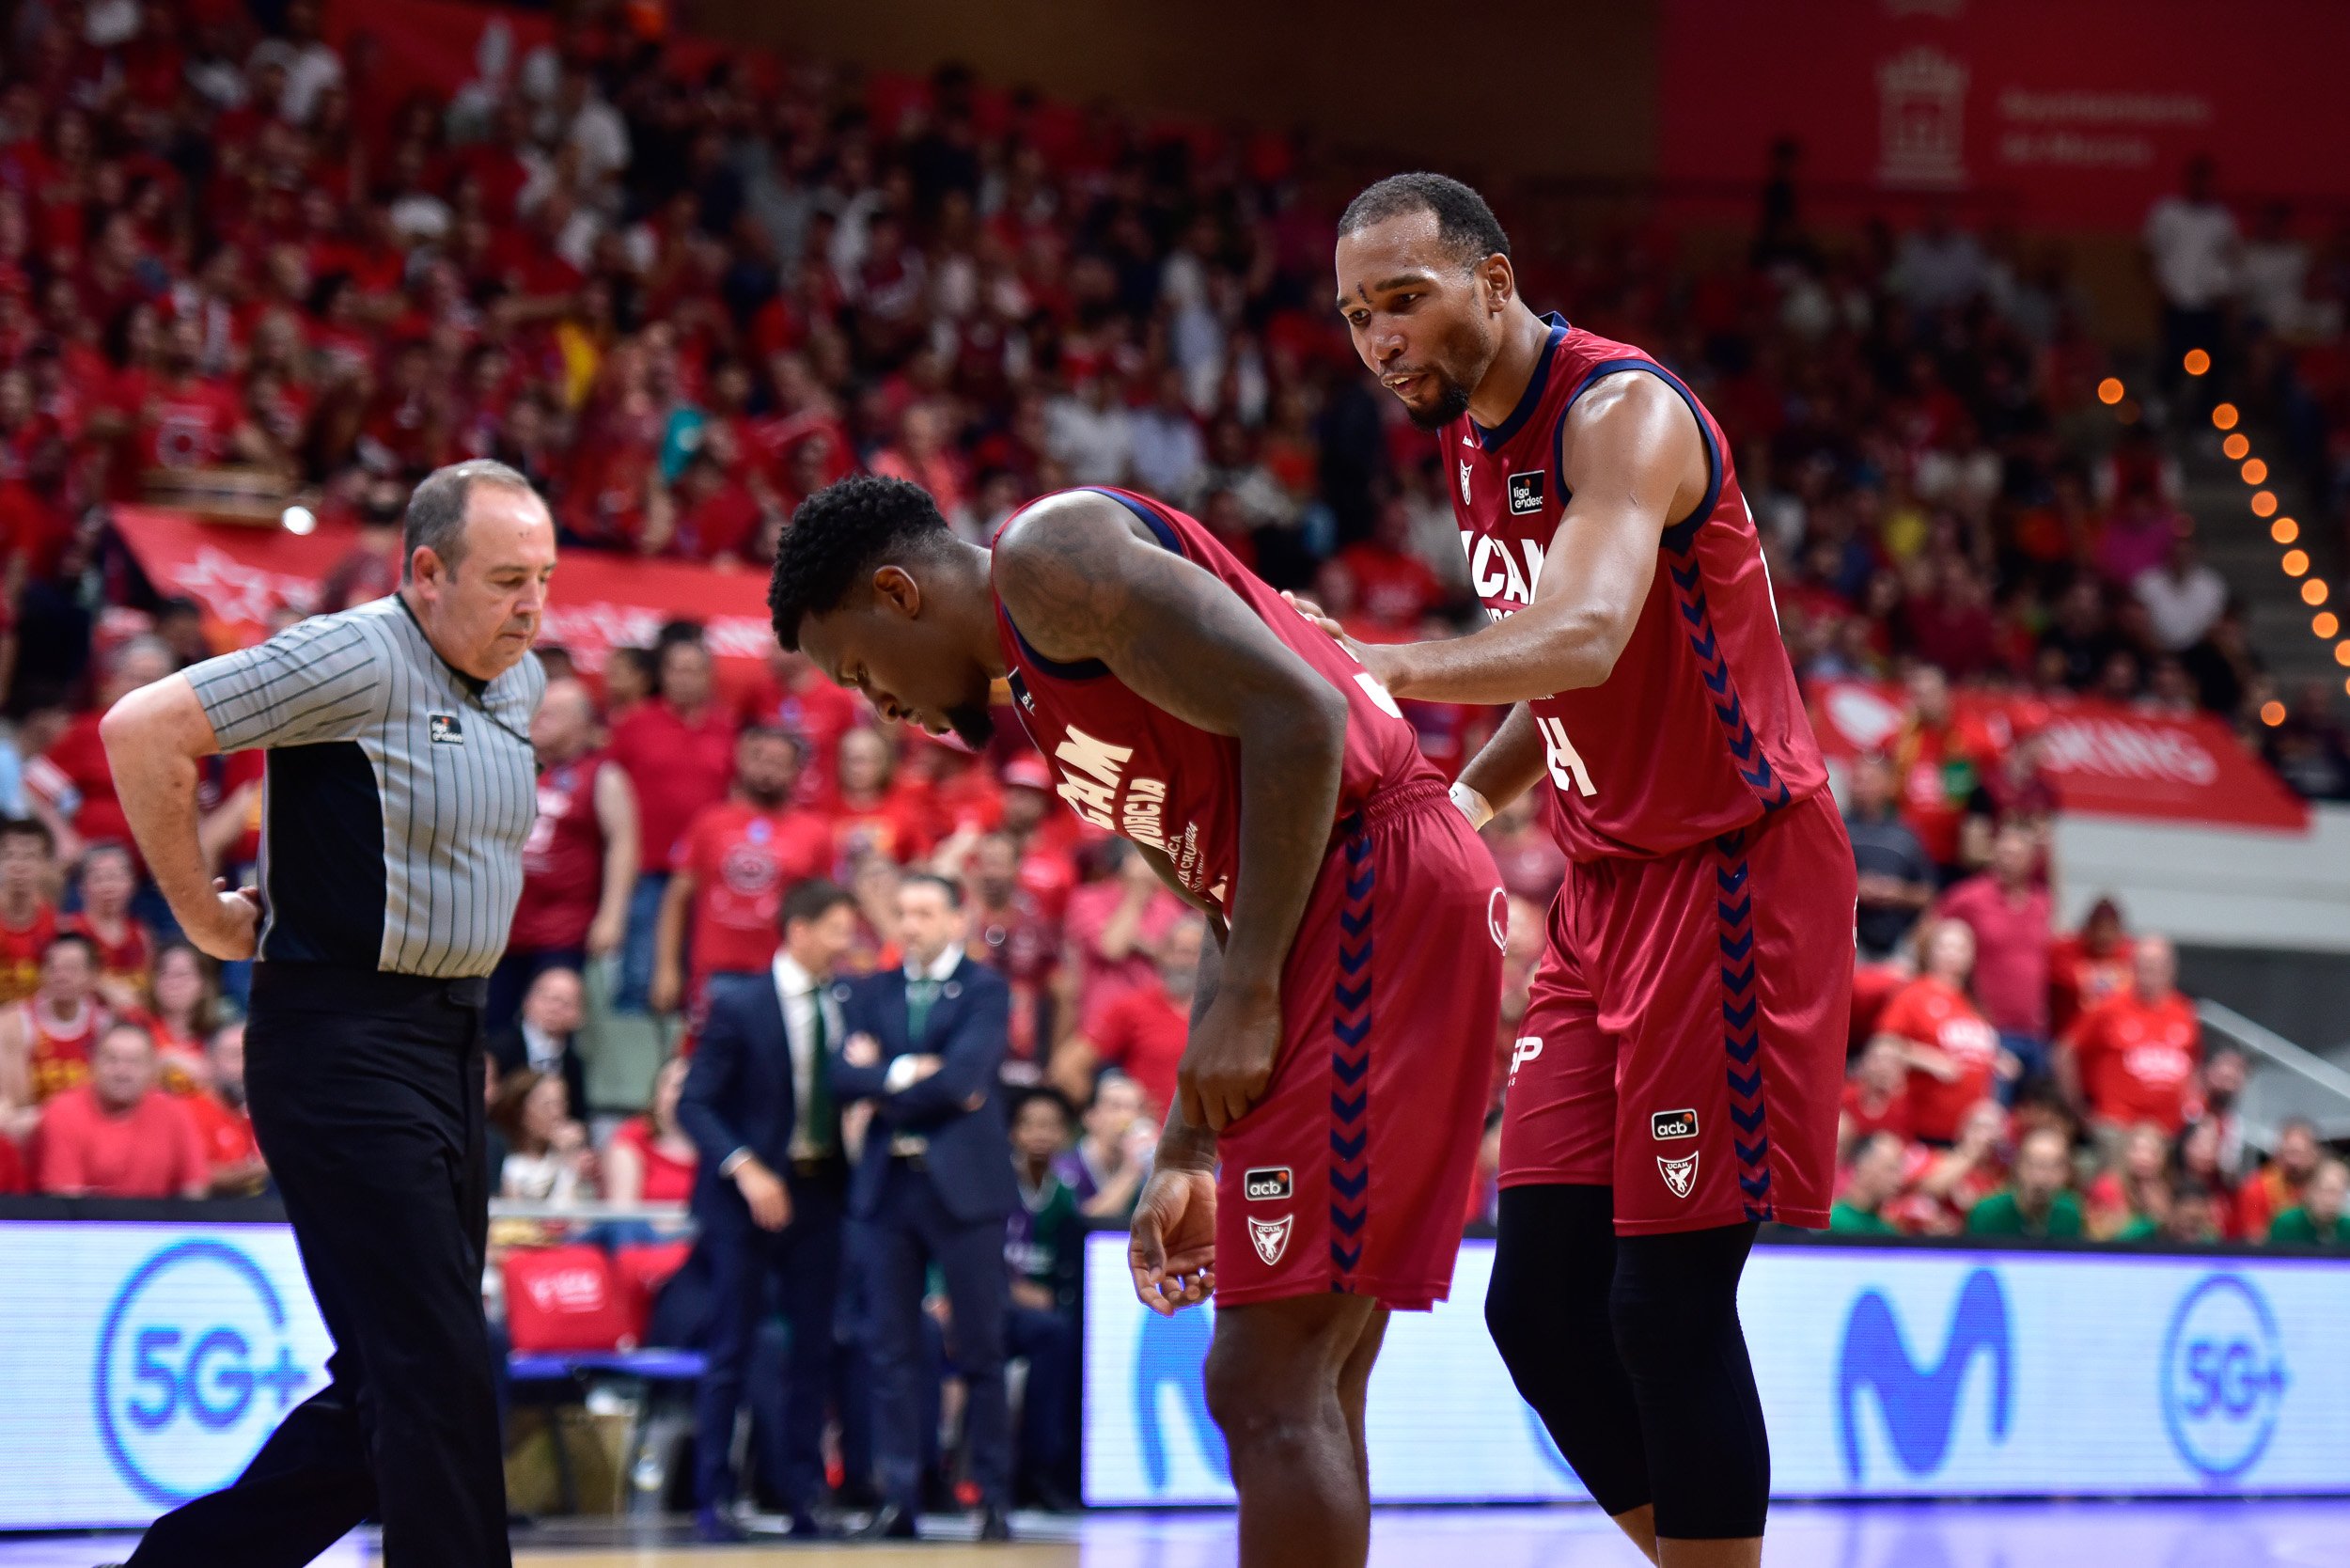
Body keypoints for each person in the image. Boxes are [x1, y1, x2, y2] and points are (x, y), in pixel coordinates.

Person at [772, 472, 1505, 1568]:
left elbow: (1297, 716)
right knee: (1309, 1370)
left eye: (864, 674)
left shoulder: (1049, 558)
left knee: (1263, 1376)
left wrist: (1255, 988)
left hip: (1369, 884)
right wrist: (1184, 1149)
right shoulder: (1039, 695)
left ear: (898, 591)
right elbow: (1222, 891)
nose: (884, 711)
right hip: (1341, 901)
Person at [1325, 171, 1852, 1567]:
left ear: (1492, 282)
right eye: (1356, 316)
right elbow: (1552, 688)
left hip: (1732, 874)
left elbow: (1587, 634)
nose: (1380, 338)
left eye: (1404, 298)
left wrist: (1370, 663)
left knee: (1666, 1305)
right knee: (1538, 1310)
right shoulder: (1471, 443)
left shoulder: (1624, 414)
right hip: (1605, 891)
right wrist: (1451, 804)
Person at [101, 457, 553, 1566]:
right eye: (505, 581)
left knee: (392, 1382)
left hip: (447, 1044)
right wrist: (204, 915)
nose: (531, 606)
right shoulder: (353, 654)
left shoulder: (521, 680)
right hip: (338, 1043)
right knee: (435, 1366)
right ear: (427, 572)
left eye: (542, 578)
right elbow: (142, 728)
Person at [831, 871, 1017, 1541]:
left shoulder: (987, 987)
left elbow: (967, 1078)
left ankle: (992, 1495)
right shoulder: (868, 989)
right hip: (889, 1186)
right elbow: (840, 1077)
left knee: (980, 1347)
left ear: (954, 920)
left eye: (924, 912)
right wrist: (916, 1074)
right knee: (890, 1351)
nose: (909, 925)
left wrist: (885, 1077)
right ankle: (899, 1496)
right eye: (902, 913)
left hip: (965, 1188)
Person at [676, 878, 859, 1542]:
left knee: (814, 1349)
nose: (848, 945)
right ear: (801, 929)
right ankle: (714, 1497)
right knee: (732, 1344)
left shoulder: (845, 1002)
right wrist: (748, 1168)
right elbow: (693, 1103)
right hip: (743, 1199)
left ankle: (802, 1496)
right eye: (839, 930)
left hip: (820, 1192)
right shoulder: (739, 1003)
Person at [650, 726, 833, 1024]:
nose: (767, 770)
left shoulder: (815, 832)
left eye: (779, 763)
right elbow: (677, 897)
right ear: (742, 762)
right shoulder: (711, 822)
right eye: (759, 758)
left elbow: (825, 909)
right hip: (715, 971)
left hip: (782, 972)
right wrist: (667, 967)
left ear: (796, 772)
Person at [496, 675, 637, 1029]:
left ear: (583, 723)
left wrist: (612, 916)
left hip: (563, 931)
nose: (539, 718)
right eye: (538, 711)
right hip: (503, 925)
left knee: (551, 1026)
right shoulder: (514, 765)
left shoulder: (602, 775)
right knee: (494, 1026)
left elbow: (623, 844)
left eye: (553, 714)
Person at [608, 631, 738, 1011]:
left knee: (701, 977)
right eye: (676, 670)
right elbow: (608, 789)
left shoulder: (728, 728)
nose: (684, 678)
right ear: (662, 675)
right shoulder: (634, 724)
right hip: (648, 870)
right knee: (641, 976)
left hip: (707, 873)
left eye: (694, 670)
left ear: (709, 676)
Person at [1004, 1086, 1082, 1512]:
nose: (1040, 1134)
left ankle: (1041, 1470)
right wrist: (1012, 1291)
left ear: (1066, 1135)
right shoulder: (993, 1182)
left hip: (1042, 1318)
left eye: (1051, 1125)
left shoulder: (1067, 1192)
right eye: (1031, 1124)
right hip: (988, 1304)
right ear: (1013, 1132)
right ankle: (984, 1474)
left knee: (1058, 1335)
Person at [1873, 919, 2013, 1146]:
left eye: (1960, 948)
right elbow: (1883, 1046)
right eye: (1946, 946)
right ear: (1930, 952)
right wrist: (1926, 1059)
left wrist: (1995, 1061)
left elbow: (1968, 1051)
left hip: (1968, 1130)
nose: (1953, 954)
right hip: (1924, 1127)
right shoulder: (1913, 994)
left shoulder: (1973, 1003)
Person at [33, 1020, 210, 1197]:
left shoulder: (174, 1111)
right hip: (87, 1222)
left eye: (134, 1062)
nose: (122, 1072)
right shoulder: (63, 1111)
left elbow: (193, 1190)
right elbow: (64, 1201)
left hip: (157, 1222)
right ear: (92, 1063)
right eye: (111, 1060)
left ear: (152, 1069)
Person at [1935, 823, 2053, 1086]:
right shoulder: (1970, 897)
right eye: (2004, 853)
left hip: (2035, 1031)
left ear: (2032, 860)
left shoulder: (2042, 902)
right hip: (1989, 1027)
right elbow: (1928, 932)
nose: (2008, 861)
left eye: (2017, 854)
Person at [1050, 913, 1203, 1114]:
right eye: (1176, 951)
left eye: (1193, 952)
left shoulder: (1224, 1013)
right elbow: (1066, 1068)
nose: (1183, 961)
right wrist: (1107, 1116)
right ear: (1161, 955)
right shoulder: (1132, 1008)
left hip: (1212, 1140)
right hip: (1148, 1139)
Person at [2059, 934, 2199, 1137]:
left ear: (2171, 969)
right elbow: (2065, 1051)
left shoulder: (2184, 1010)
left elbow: (2193, 1063)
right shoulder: (2109, 1007)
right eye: (2145, 964)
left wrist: (2191, 1106)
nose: (2151, 971)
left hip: (2169, 1131)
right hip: (2117, 1126)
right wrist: (2078, 1109)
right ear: (2132, 967)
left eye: (2157, 965)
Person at [0, 932, 109, 1143]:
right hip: (34, 1132)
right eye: (53, 967)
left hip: (89, 1133)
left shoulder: (106, 1025)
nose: (60, 975)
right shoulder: (14, 1023)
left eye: (71, 968)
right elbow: (15, 1103)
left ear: (93, 976)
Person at [1845, 753, 1935, 963]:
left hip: (1898, 948)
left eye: (1870, 780)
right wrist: (1856, 889)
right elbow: (1818, 887)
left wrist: (1897, 893)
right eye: (1858, 780)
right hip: (1851, 945)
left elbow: (1927, 894)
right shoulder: (1838, 830)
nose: (1863, 787)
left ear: (1887, 785)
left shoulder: (1906, 835)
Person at [489, 964, 591, 1125]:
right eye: (548, 997)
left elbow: (578, 1116)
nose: (554, 1008)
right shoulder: (496, 1049)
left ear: (580, 1015)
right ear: (526, 1000)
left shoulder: (574, 1063)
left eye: (565, 1003)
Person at [65, 839, 153, 1011]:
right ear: (82, 887)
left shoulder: (141, 934)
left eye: (116, 877)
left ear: (131, 883)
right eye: (99, 878)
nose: (109, 886)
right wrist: (102, 986)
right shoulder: (70, 929)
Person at [187, 1020, 269, 1197]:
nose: (245, 1067)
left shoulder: (254, 1113)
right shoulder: (189, 1111)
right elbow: (197, 1175)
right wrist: (268, 1168)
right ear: (208, 1063)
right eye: (235, 1055)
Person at [603, 1053, 698, 1205]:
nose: (683, 1094)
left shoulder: (717, 1142)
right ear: (656, 1096)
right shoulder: (632, 1138)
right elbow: (622, 1215)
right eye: (676, 1087)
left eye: (692, 1086)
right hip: (643, 1229)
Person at [491, 1067, 597, 1203]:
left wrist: (571, 1160)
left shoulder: (575, 1153)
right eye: (547, 1105)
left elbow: (582, 1217)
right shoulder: (505, 1162)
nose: (556, 1114)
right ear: (520, 1111)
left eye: (561, 1104)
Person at [1965, 1125, 2084, 1238]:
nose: (2041, 1177)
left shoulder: (2071, 1213)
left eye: (2052, 1166)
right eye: (2033, 1164)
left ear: (2066, 1172)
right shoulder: (1986, 1213)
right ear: (2018, 1166)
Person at [0, 817, 59, 1005]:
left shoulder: (58, 925)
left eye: (29, 857)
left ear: (46, 865)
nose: (18, 865)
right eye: (9, 855)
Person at [1828, 1132, 1907, 1236]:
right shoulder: (1832, 1222)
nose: (1898, 1180)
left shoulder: (1888, 1231)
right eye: (1891, 1169)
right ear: (1863, 1167)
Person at [2269, 1158, 2350, 1247]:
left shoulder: (2347, 1227)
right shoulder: (2286, 1223)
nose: (2330, 1200)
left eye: (2337, 1193)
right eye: (2325, 1191)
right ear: (2311, 1190)